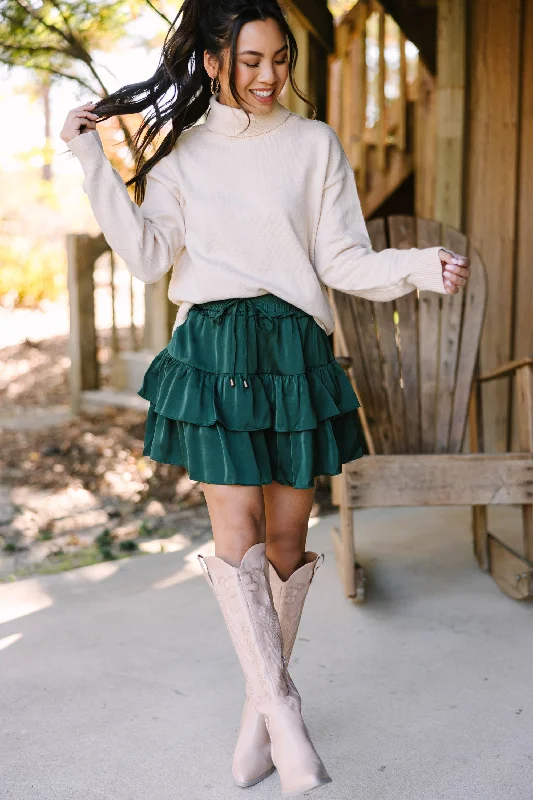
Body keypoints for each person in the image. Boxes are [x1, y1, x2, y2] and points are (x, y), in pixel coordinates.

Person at [61, 0, 470, 794]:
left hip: (293, 351)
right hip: (215, 351)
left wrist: (418, 266)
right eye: (249, 60)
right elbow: (147, 259)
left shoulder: (313, 145)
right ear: (213, 62)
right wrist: (91, 165)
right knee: (238, 532)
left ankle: (260, 712)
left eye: (278, 58)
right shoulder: (182, 157)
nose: (267, 75)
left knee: (286, 542)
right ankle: (286, 713)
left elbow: (343, 258)